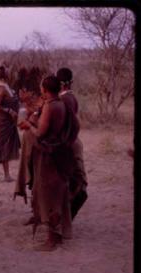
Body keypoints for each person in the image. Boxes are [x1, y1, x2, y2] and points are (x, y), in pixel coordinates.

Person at [18, 75, 78, 251]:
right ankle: (57, 235)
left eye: (41, 87)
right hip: (59, 152)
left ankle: (52, 239)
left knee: (47, 195)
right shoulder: (62, 104)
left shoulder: (52, 107)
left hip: (49, 154)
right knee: (56, 192)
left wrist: (29, 127)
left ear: (44, 89)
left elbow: (41, 133)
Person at [57, 67, 88, 225]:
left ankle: (66, 218)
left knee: (74, 183)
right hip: (74, 141)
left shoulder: (63, 100)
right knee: (76, 178)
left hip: (68, 143)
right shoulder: (71, 97)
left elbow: (70, 124)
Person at [0, 65, 21, 182]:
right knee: (0, 147)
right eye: (7, 71)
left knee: (4, 148)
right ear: (4, 75)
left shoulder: (6, 87)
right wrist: (9, 110)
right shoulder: (1, 89)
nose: (10, 72)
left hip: (7, 122)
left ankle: (5, 175)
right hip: (1, 122)